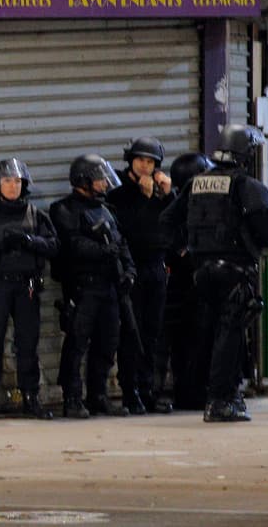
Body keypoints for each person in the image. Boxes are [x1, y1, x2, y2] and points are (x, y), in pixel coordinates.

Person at [162, 125, 268, 422]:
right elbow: (267, 227)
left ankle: (211, 394)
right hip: (235, 271)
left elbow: (167, 220)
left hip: (201, 272)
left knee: (209, 332)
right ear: (247, 153)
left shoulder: (196, 183)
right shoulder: (247, 186)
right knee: (230, 334)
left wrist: (185, 250)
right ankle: (220, 400)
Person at [0, 158, 58, 421]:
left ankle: (31, 399)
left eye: (17, 181)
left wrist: (29, 240)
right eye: (7, 181)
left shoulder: (35, 215)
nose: (13, 186)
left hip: (26, 287)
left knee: (28, 344)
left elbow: (54, 246)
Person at [51, 154, 136, 419]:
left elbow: (121, 243)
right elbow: (72, 244)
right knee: (77, 343)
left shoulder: (105, 208)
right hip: (83, 287)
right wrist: (103, 250)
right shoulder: (64, 209)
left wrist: (129, 269)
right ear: (83, 180)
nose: (103, 184)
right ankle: (72, 398)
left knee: (107, 343)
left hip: (109, 287)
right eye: (98, 179)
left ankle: (98, 396)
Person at [106, 137, 175, 415]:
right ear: (131, 161)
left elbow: (174, 223)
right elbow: (129, 229)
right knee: (131, 333)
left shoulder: (161, 190)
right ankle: (130, 391)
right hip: (132, 269)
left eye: (151, 162)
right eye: (141, 160)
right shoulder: (119, 192)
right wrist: (145, 199)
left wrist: (168, 195)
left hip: (157, 268)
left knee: (153, 332)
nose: (146, 166)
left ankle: (149, 390)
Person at [157, 153, 214, 411]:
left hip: (191, 286)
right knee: (192, 343)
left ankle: (194, 391)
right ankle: (191, 392)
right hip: (188, 288)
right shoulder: (183, 208)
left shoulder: (186, 205)